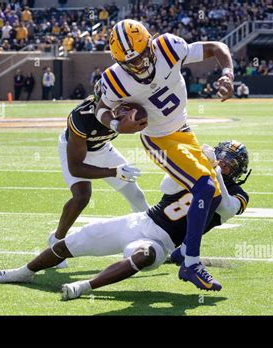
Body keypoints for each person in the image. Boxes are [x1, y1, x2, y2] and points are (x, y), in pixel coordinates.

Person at [0, 140, 250, 300]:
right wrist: (199, 166)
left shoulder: (238, 195)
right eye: (222, 160)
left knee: (144, 256)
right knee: (77, 240)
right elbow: (167, 186)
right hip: (141, 221)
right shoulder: (200, 173)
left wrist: (214, 174)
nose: (224, 166)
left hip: (163, 242)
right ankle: (23, 272)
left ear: (238, 171)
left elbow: (225, 207)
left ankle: (85, 287)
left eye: (230, 164)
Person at [96, 19, 235, 291]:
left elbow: (217, 47)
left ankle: (183, 252)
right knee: (204, 186)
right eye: (130, 62)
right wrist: (115, 123)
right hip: (158, 139)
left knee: (215, 195)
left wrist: (228, 73)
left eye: (142, 57)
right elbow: (101, 108)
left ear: (151, 43)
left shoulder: (169, 47)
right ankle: (191, 263)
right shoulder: (115, 78)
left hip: (184, 132)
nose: (139, 66)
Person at [47, 80, 148, 268]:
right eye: (110, 102)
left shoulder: (126, 106)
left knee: (136, 195)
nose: (116, 107)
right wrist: (114, 172)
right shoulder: (80, 117)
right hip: (77, 150)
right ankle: (56, 240)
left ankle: (153, 237)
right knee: (82, 196)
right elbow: (76, 167)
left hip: (103, 148)